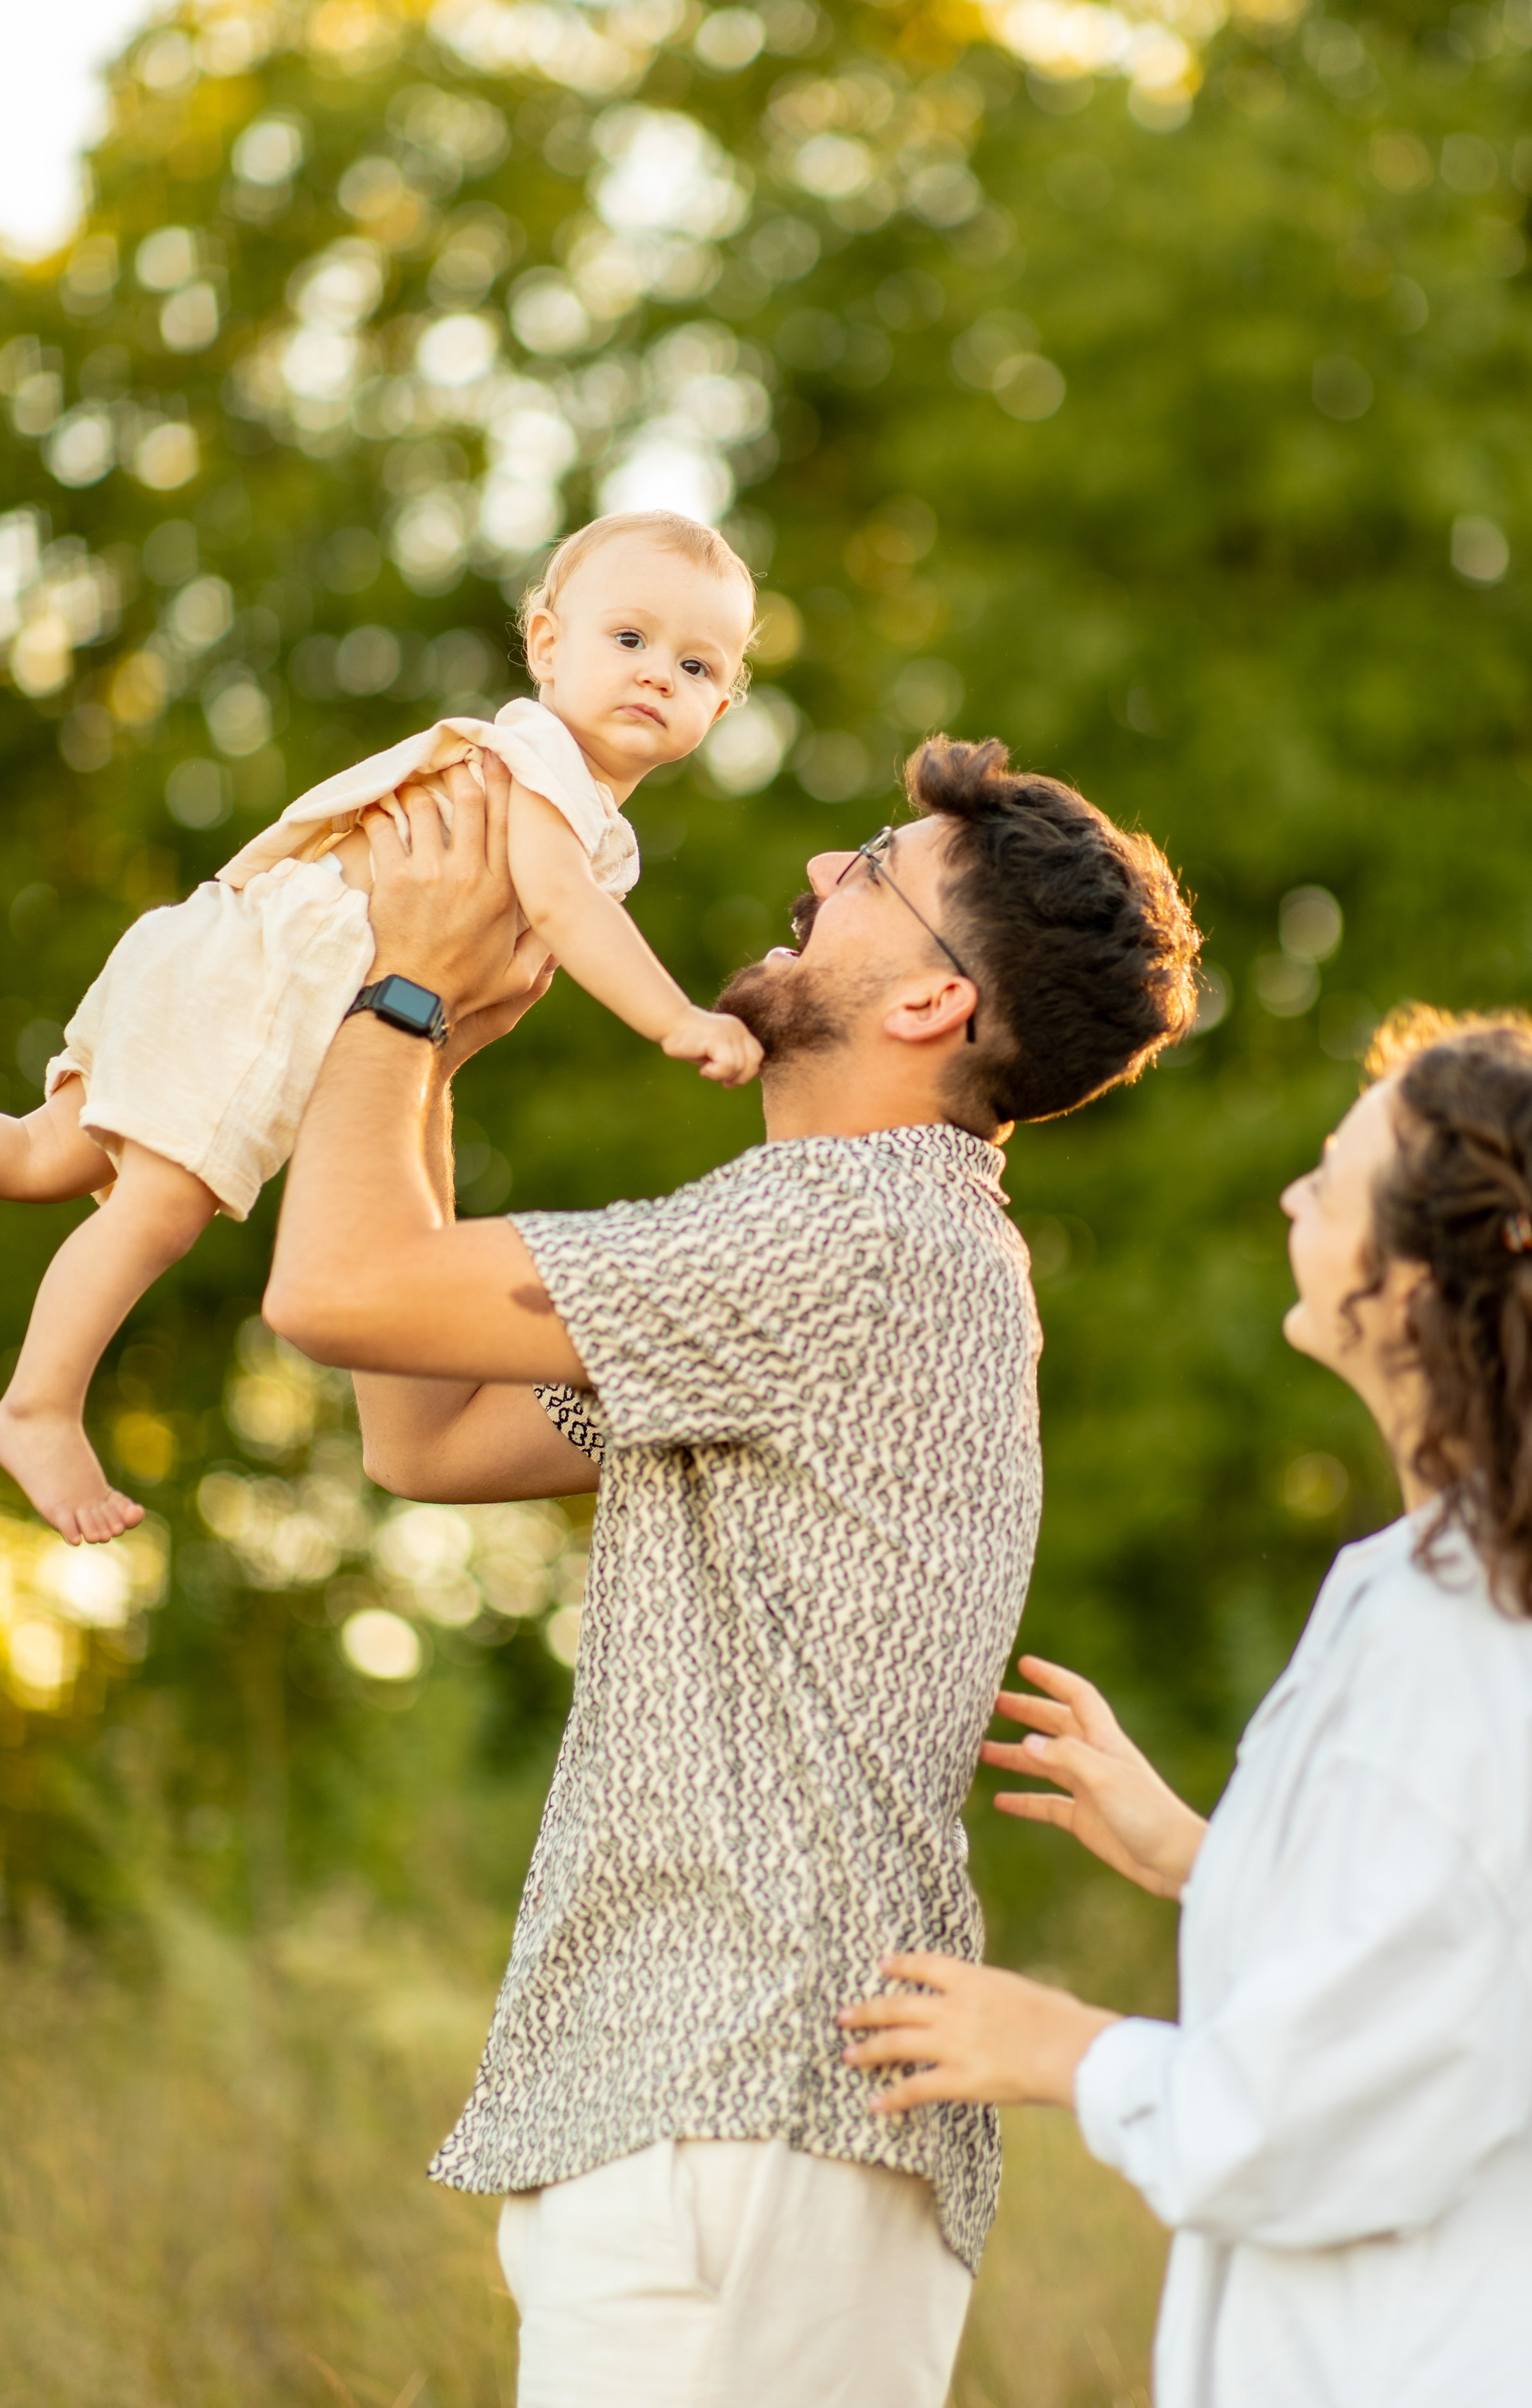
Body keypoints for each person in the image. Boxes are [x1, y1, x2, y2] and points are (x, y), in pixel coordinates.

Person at [260, 728, 1200, 2408]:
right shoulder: (852, 1241)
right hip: (721, 2124)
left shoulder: (849, 1234)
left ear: (931, 1001)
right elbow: (428, 1433)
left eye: (874, 872)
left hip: (745, 2113)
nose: (825, 871)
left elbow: (331, 1289)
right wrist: (438, 1047)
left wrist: (394, 990)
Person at [842, 1009, 1532, 2408]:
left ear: (1433, 1277)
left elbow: (1296, 2126)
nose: (1290, 1195)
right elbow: (1491, 1968)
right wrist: (1207, 1861)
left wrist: (1060, 2047)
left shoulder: (1451, 1648)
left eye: (1331, 1174)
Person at [0, 511, 761, 1547]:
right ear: (547, 645)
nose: (657, 674)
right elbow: (563, 903)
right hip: (268, 975)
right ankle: (39, 1405)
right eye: (628, 639)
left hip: (227, 950)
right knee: (162, 1207)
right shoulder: (542, 765)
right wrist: (676, 1018)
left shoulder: (574, 798)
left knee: (43, 1153)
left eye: (696, 665)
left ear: (722, 704)